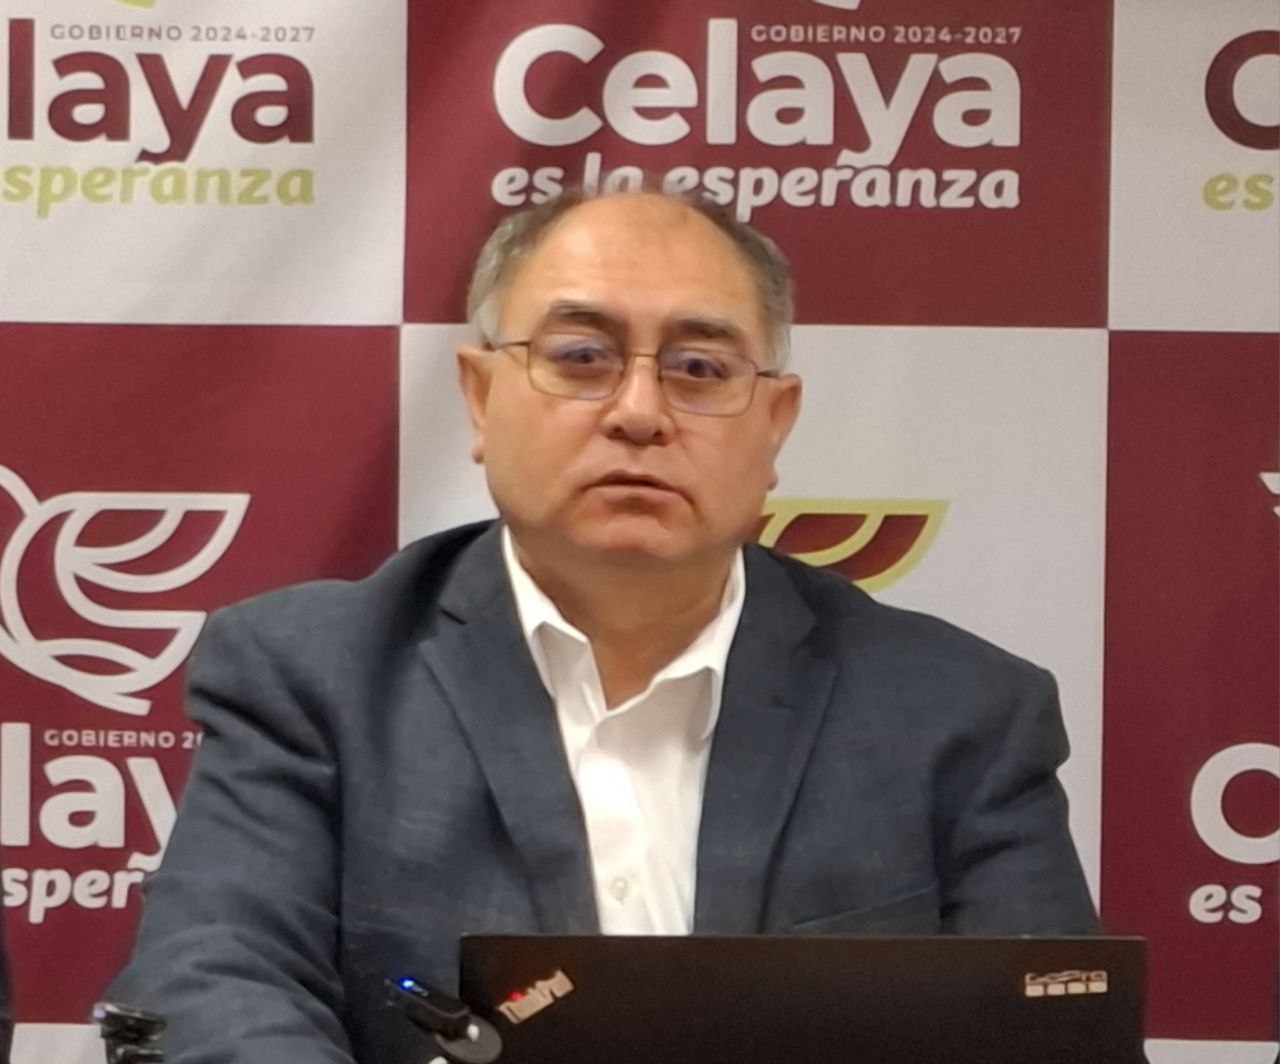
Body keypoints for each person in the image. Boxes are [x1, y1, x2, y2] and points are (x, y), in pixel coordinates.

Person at [108, 188, 1097, 1062]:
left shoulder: (958, 717)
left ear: (774, 422)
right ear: (480, 397)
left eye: (699, 367)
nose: (638, 411)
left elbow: (1049, 1041)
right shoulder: (313, 675)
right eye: (581, 357)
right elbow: (213, 986)